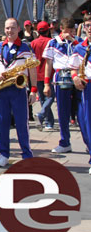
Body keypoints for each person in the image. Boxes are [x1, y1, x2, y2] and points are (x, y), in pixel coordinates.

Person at [0, 18, 37, 167]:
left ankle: (26, 155)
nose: (10, 31)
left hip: (19, 89)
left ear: (18, 29)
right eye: (7, 28)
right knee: (2, 123)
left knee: (22, 123)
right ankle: (3, 155)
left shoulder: (26, 47)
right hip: (2, 88)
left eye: (13, 28)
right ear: (4, 29)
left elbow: (32, 70)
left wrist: (34, 90)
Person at [42, 17, 81, 153]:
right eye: (68, 31)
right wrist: (47, 83)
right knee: (63, 111)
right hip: (61, 77)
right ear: (62, 30)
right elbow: (48, 64)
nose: (70, 33)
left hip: (78, 77)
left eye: (73, 31)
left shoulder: (79, 42)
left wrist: (74, 41)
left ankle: (88, 143)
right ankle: (65, 142)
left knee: (82, 112)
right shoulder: (53, 43)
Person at [68, 13, 91, 174]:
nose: (90, 29)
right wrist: (75, 78)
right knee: (85, 125)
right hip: (86, 88)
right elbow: (73, 68)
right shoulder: (80, 47)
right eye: (88, 26)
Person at [30, 21, 55, 130]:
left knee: (43, 98)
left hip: (37, 73)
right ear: (48, 30)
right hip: (49, 73)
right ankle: (43, 116)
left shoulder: (33, 43)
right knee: (50, 97)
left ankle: (48, 121)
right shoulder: (51, 42)